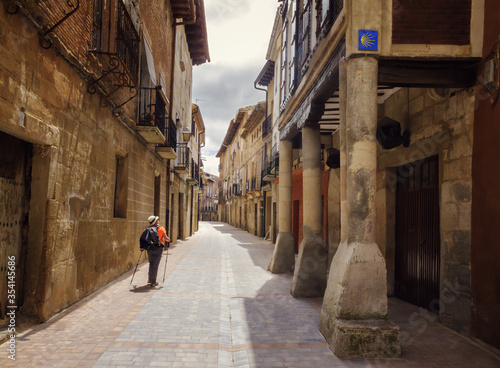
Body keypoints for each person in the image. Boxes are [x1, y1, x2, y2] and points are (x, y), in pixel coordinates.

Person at [144, 215, 170, 287]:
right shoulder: (161, 228)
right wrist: (169, 240)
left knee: (151, 263)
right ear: (156, 221)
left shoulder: (148, 229)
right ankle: (153, 281)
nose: (158, 221)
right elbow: (166, 238)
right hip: (158, 248)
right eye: (157, 220)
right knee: (155, 265)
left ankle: (150, 279)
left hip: (150, 248)